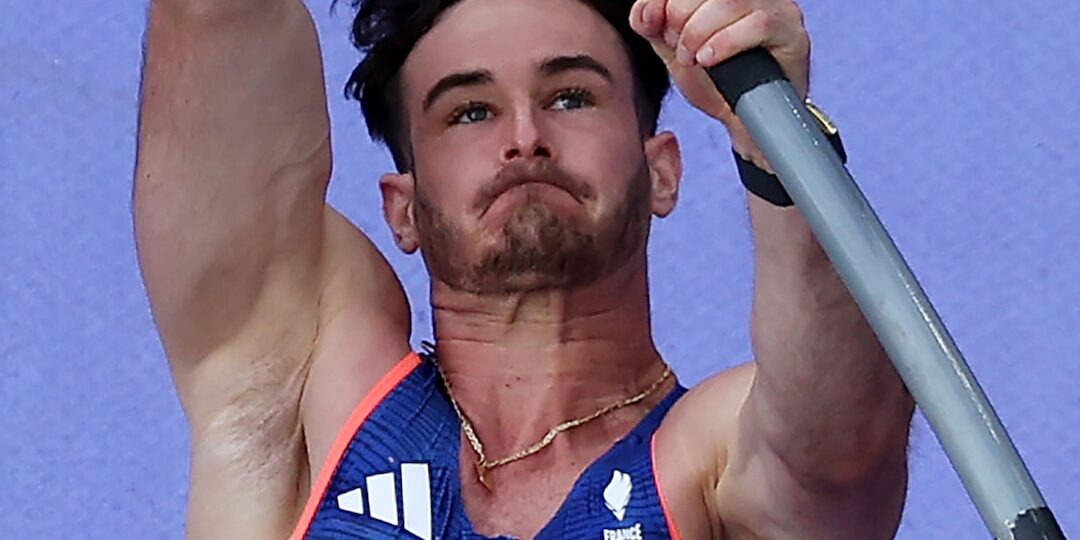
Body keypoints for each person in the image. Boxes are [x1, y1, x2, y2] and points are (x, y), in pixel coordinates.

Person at [134, 0, 915, 537]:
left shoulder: (709, 462)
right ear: (403, 209)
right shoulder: (306, 388)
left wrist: (773, 132)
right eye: (469, 111)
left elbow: (840, 448)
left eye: (570, 96)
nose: (524, 137)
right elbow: (216, 17)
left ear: (663, 171)